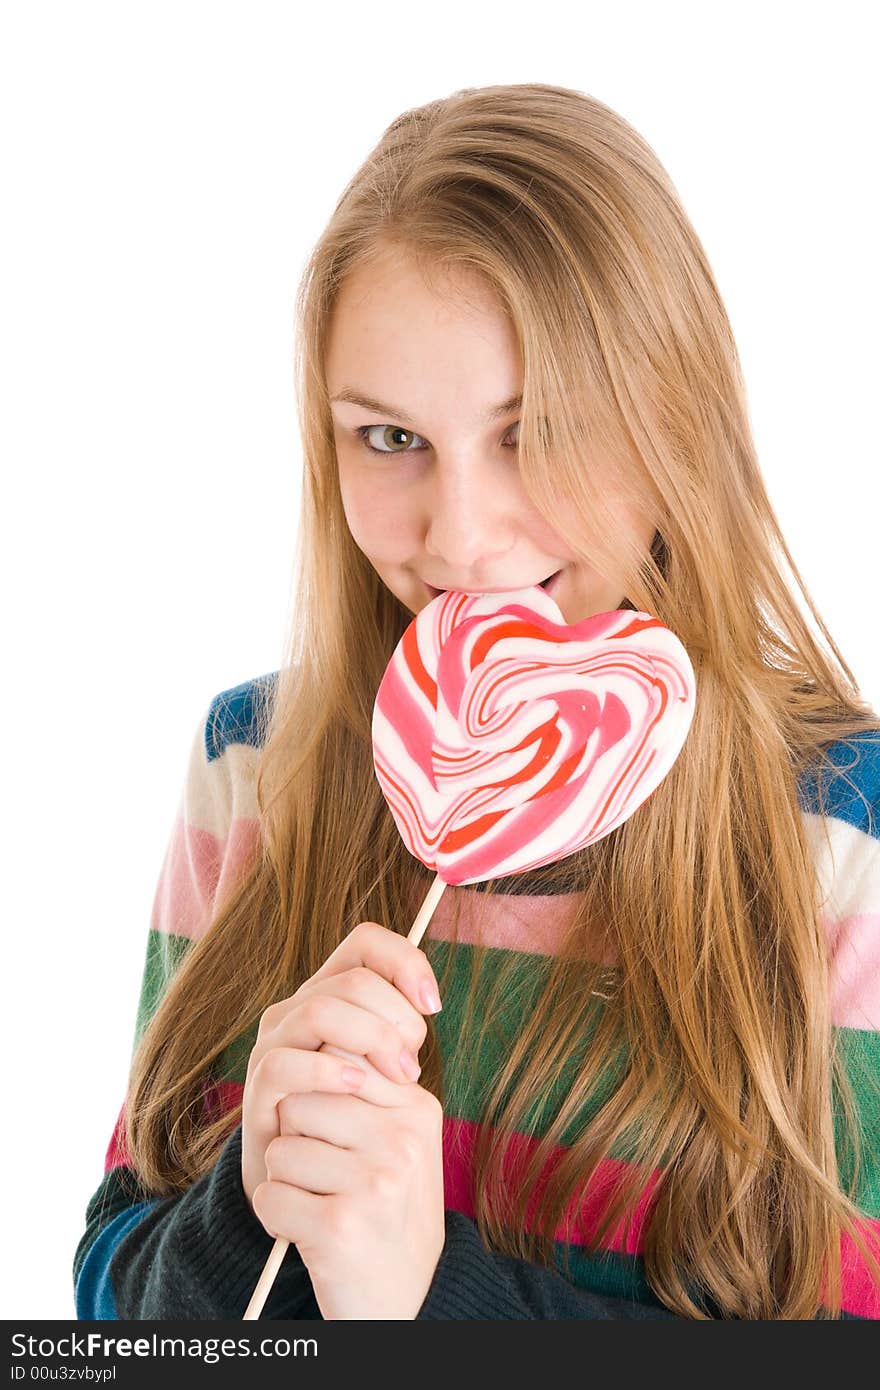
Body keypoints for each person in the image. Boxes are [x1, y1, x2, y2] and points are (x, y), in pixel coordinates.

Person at [73, 82, 880, 1321]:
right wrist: (249, 1203)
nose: (461, 536)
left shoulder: (846, 834)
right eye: (389, 438)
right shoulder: (255, 766)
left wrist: (427, 1293)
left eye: (537, 426)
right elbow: (108, 1296)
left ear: (677, 417)